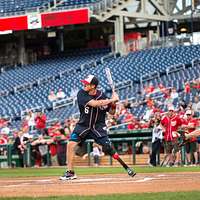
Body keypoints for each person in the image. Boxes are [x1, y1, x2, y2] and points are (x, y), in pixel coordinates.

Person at [60, 74, 136, 180]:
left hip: (98, 126)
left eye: (87, 83)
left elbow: (112, 112)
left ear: (93, 86)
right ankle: (70, 172)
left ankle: (126, 167)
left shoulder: (102, 95)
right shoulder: (81, 93)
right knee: (70, 145)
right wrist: (111, 99)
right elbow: (95, 104)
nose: (84, 84)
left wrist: (114, 103)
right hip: (83, 125)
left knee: (108, 148)